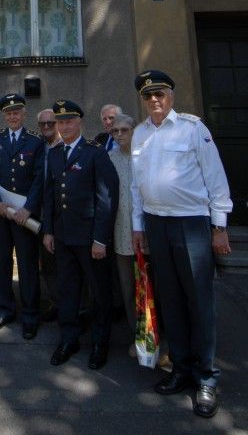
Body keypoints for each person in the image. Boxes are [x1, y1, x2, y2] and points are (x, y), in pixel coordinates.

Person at [131, 70, 232, 419]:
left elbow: (215, 176)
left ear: (171, 96)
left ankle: (206, 377)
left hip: (191, 223)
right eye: (148, 96)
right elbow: (135, 186)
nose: (154, 100)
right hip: (156, 224)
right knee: (170, 300)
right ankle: (181, 368)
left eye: (160, 94)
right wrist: (137, 226)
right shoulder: (141, 134)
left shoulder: (192, 129)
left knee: (199, 301)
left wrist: (219, 226)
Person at [43, 100, 119, 369]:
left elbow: (107, 199)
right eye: (60, 122)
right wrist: (49, 231)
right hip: (63, 236)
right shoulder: (54, 154)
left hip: (89, 239)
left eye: (69, 121)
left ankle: (100, 343)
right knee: (68, 290)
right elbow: (51, 195)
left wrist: (100, 239)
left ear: (80, 123)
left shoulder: (94, 153)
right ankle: (69, 338)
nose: (64, 126)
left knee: (99, 292)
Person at [0, 93, 44, 340]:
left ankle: (30, 315)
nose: (12, 116)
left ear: (24, 114)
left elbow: (39, 179)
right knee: (1, 263)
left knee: (28, 265)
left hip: (23, 216)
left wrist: (28, 209)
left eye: (16, 112)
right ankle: (6, 309)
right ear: (4, 115)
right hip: (2, 215)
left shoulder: (35, 142)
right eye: (8, 113)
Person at [108, 113, 137, 352]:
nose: (119, 135)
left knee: (155, 288)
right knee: (128, 288)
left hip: (146, 234)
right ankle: (137, 336)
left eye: (124, 130)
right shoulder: (110, 158)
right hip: (121, 233)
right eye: (114, 131)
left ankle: (163, 338)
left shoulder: (145, 156)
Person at [37, 108, 62, 322]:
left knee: (68, 265)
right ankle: (56, 302)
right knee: (48, 264)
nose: (46, 127)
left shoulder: (66, 147)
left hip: (62, 216)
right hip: (41, 214)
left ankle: (78, 309)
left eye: (50, 123)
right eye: (42, 124)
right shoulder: (40, 148)